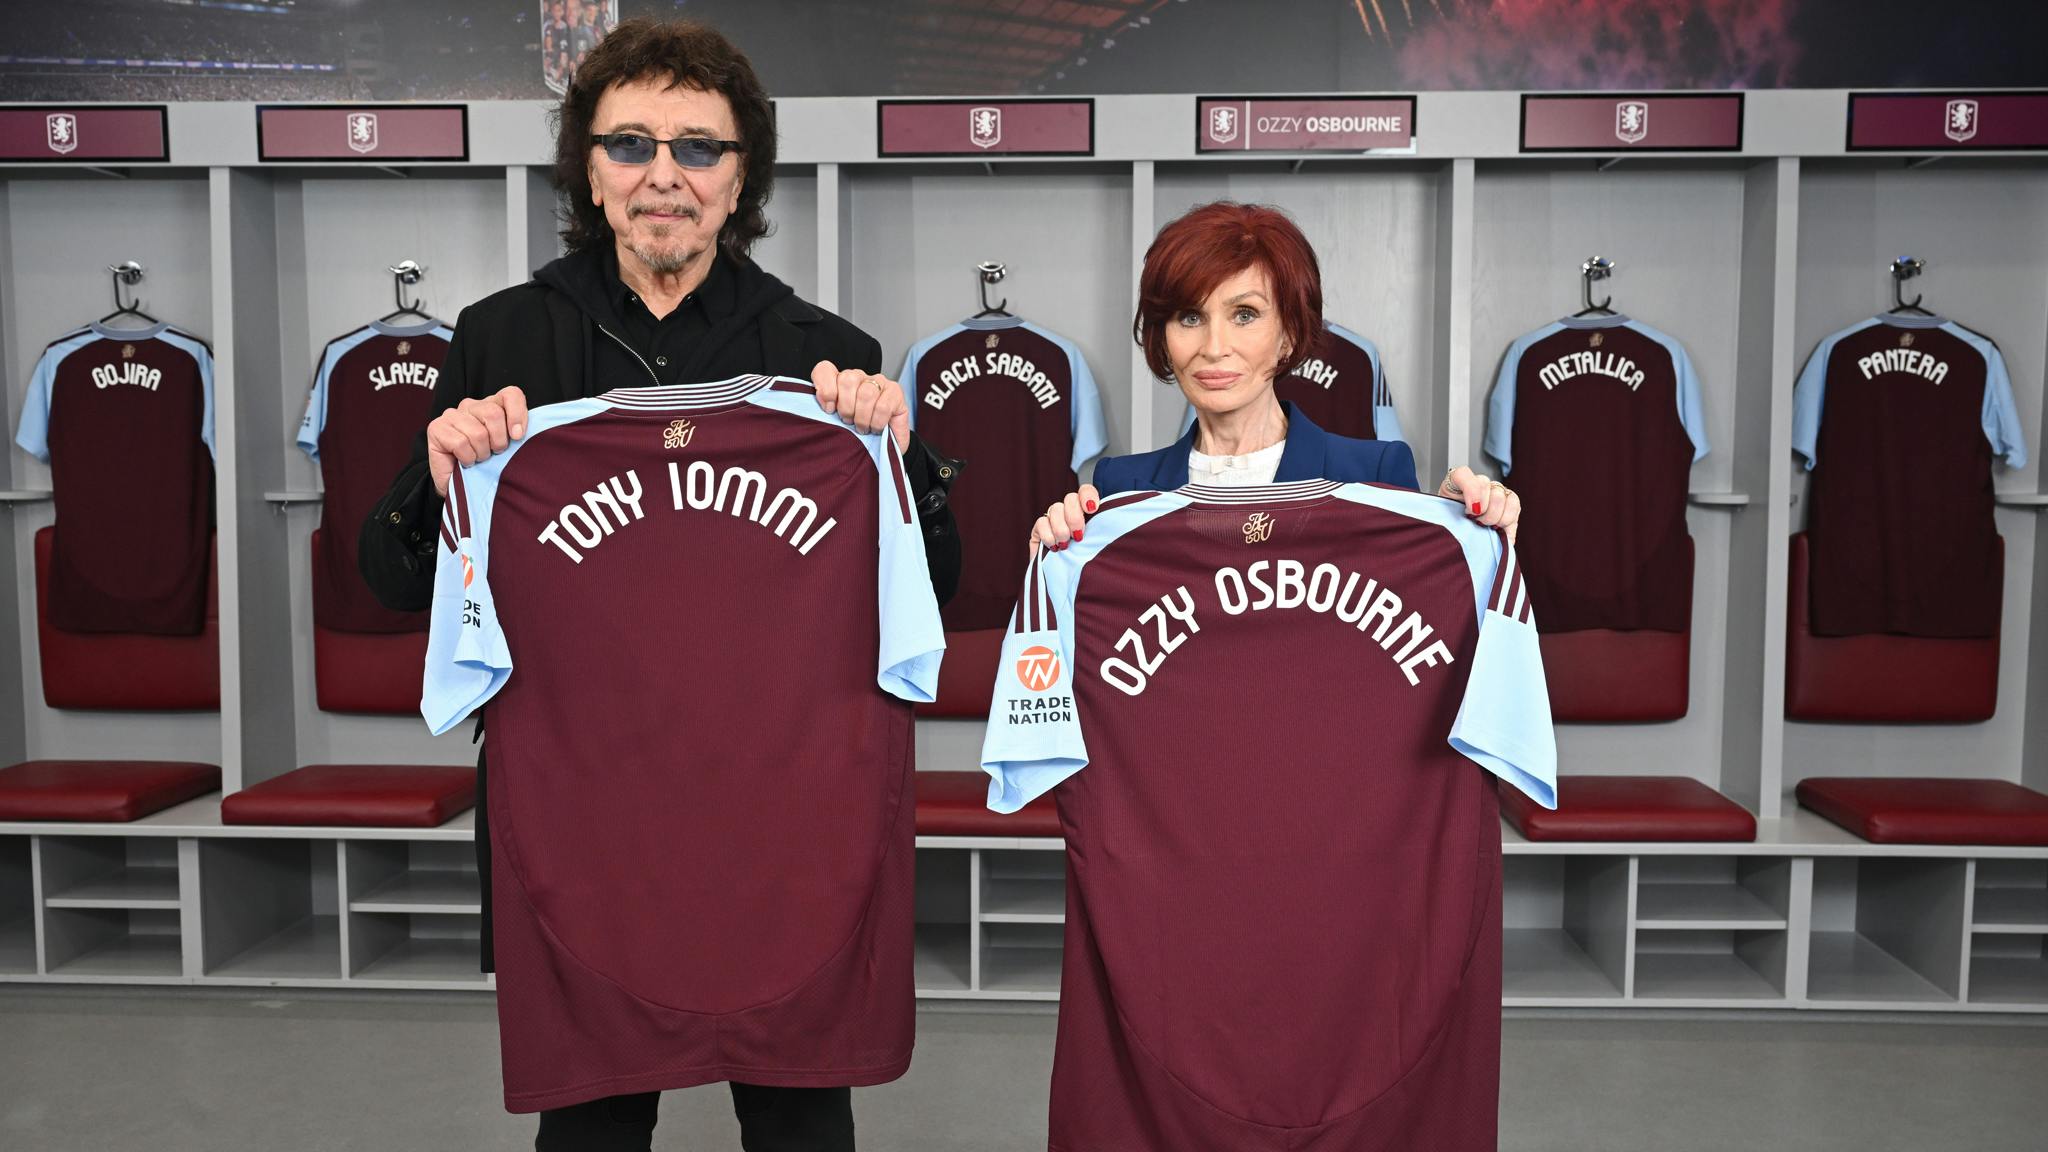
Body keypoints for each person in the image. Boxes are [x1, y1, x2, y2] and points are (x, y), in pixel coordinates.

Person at [357, 18, 956, 1152]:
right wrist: (434, 477)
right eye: (630, 144)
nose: (663, 175)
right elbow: (389, 580)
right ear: (589, 172)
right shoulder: (499, 339)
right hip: (580, 817)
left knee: (797, 1119)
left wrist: (901, 455)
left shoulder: (825, 351)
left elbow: (939, 581)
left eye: (698, 147)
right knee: (589, 1125)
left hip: (780, 822)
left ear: (741, 178)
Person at [1031, 200, 1520, 547]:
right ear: (1163, 335)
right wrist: (1054, 558)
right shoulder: (1120, 486)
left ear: (1289, 333)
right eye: (1189, 317)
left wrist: (1453, 528)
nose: (1214, 347)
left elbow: (1419, 625)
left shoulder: (1374, 474)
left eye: (1244, 314)